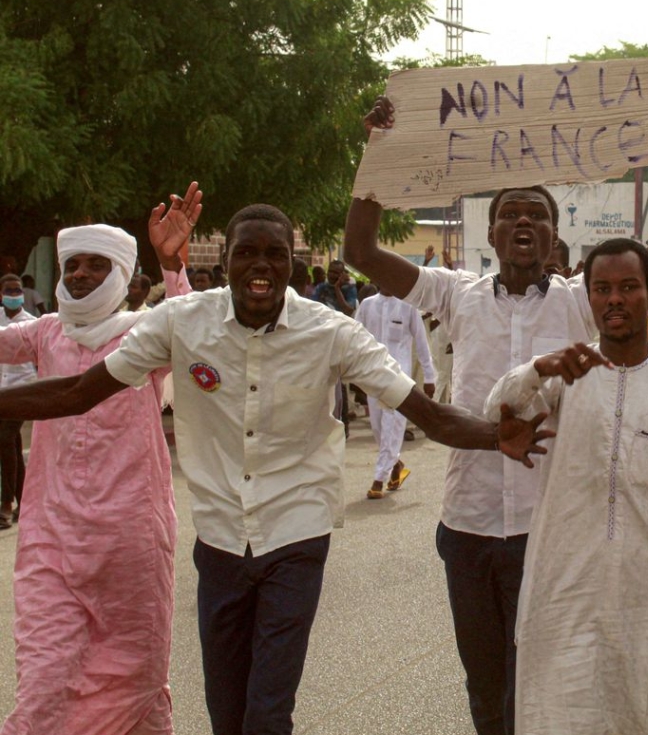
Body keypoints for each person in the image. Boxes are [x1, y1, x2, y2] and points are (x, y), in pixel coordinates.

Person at [0, 202, 549, 735]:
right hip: (218, 541)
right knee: (227, 714)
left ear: (291, 264)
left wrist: (491, 435)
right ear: (229, 261)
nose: (260, 266)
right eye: (247, 254)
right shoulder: (181, 321)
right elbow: (78, 391)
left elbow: (425, 413)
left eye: (275, 255)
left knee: (267, 715)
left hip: (295, 537)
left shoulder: (331, 331)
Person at [343, 84, 648, 735]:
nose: (523, 222)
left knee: (550, 688)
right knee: (487, 692)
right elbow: (359, 255)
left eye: (537, 214)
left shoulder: (578, 302)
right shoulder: (454, 295)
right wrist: (378, 151)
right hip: (469, 529)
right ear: (492, 230)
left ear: (557, 235)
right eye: (510, 213)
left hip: (552, 533)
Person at [485, 239, 648, 735]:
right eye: (601, 289)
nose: (614, 300)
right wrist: (538, 368)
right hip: (560, 603)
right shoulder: (561, 377)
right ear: (588, 298)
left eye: (628, 288)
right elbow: (494, 406)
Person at [0, 185, 200, 735]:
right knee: (43, 681)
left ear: (120, 274)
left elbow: (196, 326)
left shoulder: (145, 332)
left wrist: (171, 263)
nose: (81, 275)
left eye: (95, 265)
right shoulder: (45, 333)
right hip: (51, 537)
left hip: (131, 540)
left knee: (135, 680)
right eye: (73, 265)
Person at [355, 291, 437, 498]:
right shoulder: (366, 305)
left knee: (392, 426)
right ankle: (396, 464)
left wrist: (429, 376)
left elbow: (421, 342)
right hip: (372, 375)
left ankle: (378, 479)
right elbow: (354, 338)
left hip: (398, 379)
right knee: (378, 427)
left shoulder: (407, 305)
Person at [0, 274, 36, 528]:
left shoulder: (32, 324)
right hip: (1, 391)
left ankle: (5, 504)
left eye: (17, 290)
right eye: (9, 291)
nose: (14, 295)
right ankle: (23, 502)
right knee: (11, 445)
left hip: (23, 390)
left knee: (4, 440)